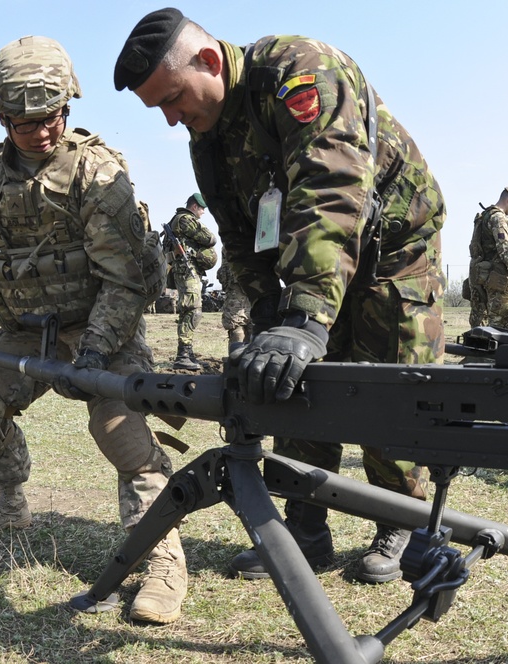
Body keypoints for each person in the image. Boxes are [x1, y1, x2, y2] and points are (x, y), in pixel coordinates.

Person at [114, 8, 446, 584]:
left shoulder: (300, 70)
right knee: (290, 383)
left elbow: (332, 189)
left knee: (389, 384)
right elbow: (239, 232)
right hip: (308, 264)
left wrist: (306, 316)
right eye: (159, 109)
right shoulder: (206, 137)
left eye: (172, 98)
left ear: (209, 60)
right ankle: (304, 530)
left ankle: (403, 522)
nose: (171, 119)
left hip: (392, 252)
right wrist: (272, 311)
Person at [0, 35, 186, 624]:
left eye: (52, 117)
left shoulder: (97, 172)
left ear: (68, 107)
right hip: (24, 328)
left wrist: (92, 351)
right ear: (0, 115)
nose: (41, 132)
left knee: (120, 430)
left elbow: (125, 280)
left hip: (102, 324)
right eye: (23, 122)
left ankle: (161, 558)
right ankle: (11, 503)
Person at [164, 192, 217, 370]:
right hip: (186, 269)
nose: (203, 213)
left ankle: (188, 353)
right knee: (193, 310)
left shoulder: (179, 219)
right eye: (202, 209)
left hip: (187, 269)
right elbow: (210, 238)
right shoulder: (185, 219)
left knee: (190, 309)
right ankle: (183, 355)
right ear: (195, 206)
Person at [468, 188, 508, 329]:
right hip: (497, 279)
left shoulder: (484, 215)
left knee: (481, 322)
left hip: (481, 275)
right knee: (500, 325)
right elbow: (506, 250)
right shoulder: (499, 218)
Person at [216, 246, 252, 352]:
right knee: (255, 324)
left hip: (236, 286)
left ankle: (235, 361)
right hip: (258, 285)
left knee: (236, 324)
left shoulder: (233, 237)